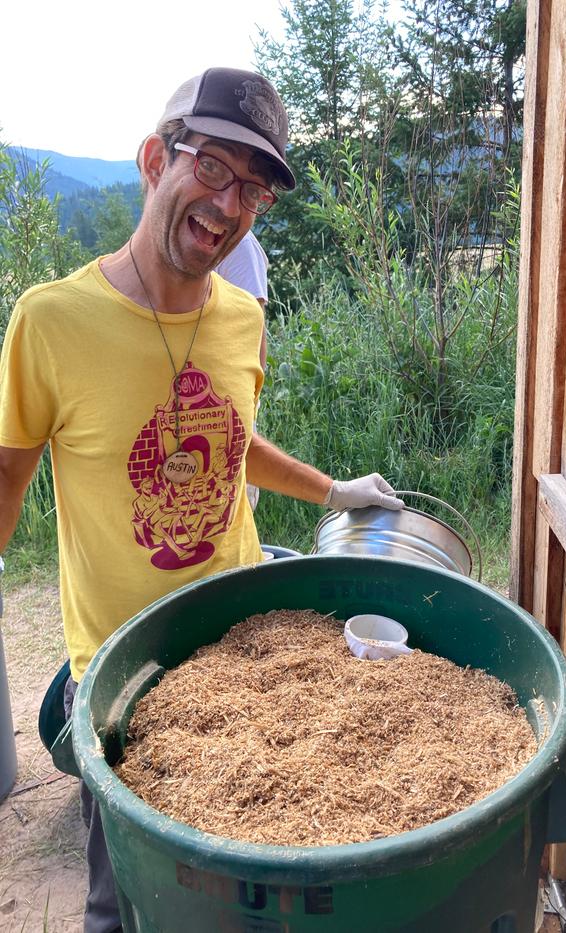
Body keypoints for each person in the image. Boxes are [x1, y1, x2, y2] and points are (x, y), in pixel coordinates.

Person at [0, 67, 403, 933]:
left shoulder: (241, 318)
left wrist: (334, 489)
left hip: (243, 644)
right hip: (118, 672)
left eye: (253, 189)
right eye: (213, 167)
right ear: (155, 159)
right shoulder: (50, 321)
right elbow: (8, 469)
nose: (229, 204)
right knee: (127, 901)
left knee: (255, 889)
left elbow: (230, 444)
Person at [215, 231, 269, 509]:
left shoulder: (241, 246)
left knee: (235, 505)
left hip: (228, 409)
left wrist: (246, 406)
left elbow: (254, 332)